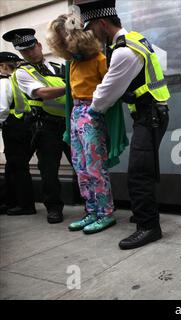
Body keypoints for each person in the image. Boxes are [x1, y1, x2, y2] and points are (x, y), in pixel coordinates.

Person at [76, 0, 170, 249]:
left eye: (91, 28)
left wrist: (93, 109)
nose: (90, 34)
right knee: (145, 169)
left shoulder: (123, 51)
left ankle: (148, 227)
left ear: (102, 23)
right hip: (153, 113)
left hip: (149, 115)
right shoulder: (136, 39)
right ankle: (143, 213)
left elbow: (104, 95)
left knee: (139, 173)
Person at [46, 13, 127, 234]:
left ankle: (105, 212)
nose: (63, 42)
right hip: (76, 115)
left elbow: (110, 92)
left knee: (95, 166)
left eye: (65, 37)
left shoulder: (99, 59)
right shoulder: (72, 62)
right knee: (80, 167)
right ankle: (91, 210)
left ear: (77, 36)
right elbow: (71, 96)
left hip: (93, 113)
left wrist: (95, 113)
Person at [2, 28, 71, 224]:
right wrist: (72, 87)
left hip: (69, 123)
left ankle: (93, 204)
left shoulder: (59, 66)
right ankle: (54, 208)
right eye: (24, 51)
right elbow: (42, 93)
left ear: (39, 46)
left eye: (32, 48)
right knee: (49, 170)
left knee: (81, 166)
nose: (30, 53)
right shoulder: (22, 73)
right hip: (46, 126)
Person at [0, 51, 35, 215]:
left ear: (3, 66)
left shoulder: (3, 82)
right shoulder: (19, 79)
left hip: (13, 125)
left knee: (17, 166)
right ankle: (12, 201)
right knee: (15, 166)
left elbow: (2, 109)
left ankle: (25, 205)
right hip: (26, 124)